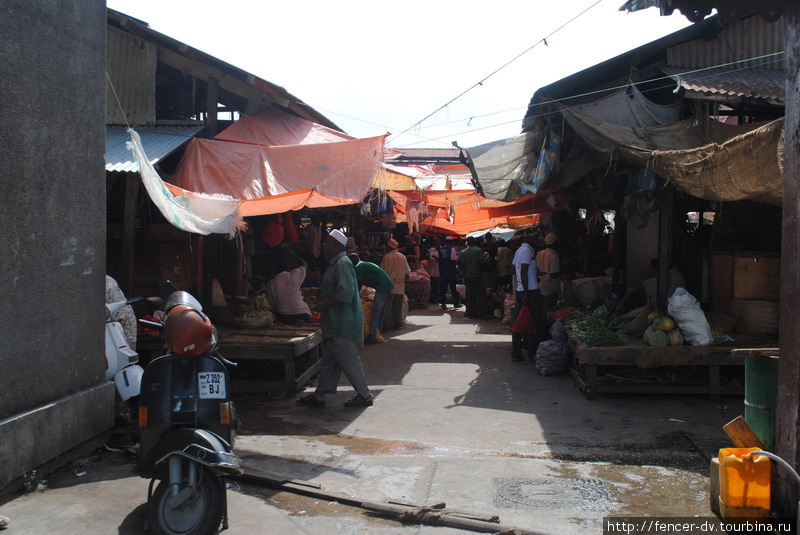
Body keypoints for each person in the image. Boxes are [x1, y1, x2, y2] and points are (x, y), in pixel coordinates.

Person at [297, 230, 374, 408]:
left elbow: (345, 294)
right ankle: (320, 394)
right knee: (329, 361)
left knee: (348, 360)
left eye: (327, 243)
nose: (324, 245)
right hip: (334, 323)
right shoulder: (337, 263)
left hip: (343, 323)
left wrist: (324, 305)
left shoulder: (342, 263)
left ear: (336, 246)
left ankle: (364, 395)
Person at [511, 232, 542, 362]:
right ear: (528, 238)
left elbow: (514, 269)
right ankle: (530, 353)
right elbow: (523, 271)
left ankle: (518, 352)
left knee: (521, 321)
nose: (538, 239)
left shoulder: (520, 250)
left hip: (522, 290)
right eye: (535, 237)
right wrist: (525, 293)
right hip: (529, 291)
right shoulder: (527, 251)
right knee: (532, 322)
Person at [349, 253, 394, 344]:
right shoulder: (364, 264)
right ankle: (377, 334)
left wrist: (355, 297)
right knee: (380, 313)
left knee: (376, 313)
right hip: (387, 285)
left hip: (383, 287)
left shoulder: (359, 266)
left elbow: (357, 283)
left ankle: (373, 337)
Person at [267, 244, 312, 325]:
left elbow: (271, 306)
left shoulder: (271, 283)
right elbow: (304, 265)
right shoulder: (294, 275)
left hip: (283, 317)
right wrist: (292, 255)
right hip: (302, 314)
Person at [380, 238, 411, 330]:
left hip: (390, 286)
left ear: (389, 247)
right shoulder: (402, 257)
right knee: (398, 306)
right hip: (400, 285)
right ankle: (398, 323)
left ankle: (387, 325)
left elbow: (383, 273)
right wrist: (406, 284)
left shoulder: (387, 257)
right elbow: (407, 273)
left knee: (388, 307)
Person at [535, 232, 561, 317]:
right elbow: (554, 274)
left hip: (540, 285)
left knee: (541, 308)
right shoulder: (554, 256)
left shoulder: (539, 254)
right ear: (554, 243)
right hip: (550, 287)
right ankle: (545, 328)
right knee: (549, 310)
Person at [460, 237, 486, 319]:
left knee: (470, 295)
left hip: (468, 276)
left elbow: (462, 264)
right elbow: (481, 262)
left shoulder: (463, 252)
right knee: (480, 295)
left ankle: (471, 312)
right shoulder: (478, 250)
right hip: (477, 275)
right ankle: (482, 312)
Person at [437, 237, 462, 310]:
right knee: (453, 288)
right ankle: (456, 303)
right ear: (451, 242)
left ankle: (443, 304)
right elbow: (453, 260)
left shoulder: (440, 249)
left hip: (442, 271)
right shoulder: (452, 249)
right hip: (451, 272)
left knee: (443, 288)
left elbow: (439, 259)